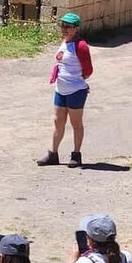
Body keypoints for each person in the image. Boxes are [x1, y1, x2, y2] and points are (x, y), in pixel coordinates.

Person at [38, 13, 92, 168]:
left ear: (76, 28)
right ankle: (53, 154)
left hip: (76, 91)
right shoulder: (64, 42)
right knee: (58, 122)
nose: (64, 29)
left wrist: (77, 80)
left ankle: (76, 155)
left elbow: (88, 70)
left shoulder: (81, 45)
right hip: (60, 90)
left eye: (68, 26)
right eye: (62, 25)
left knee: (76, 124)